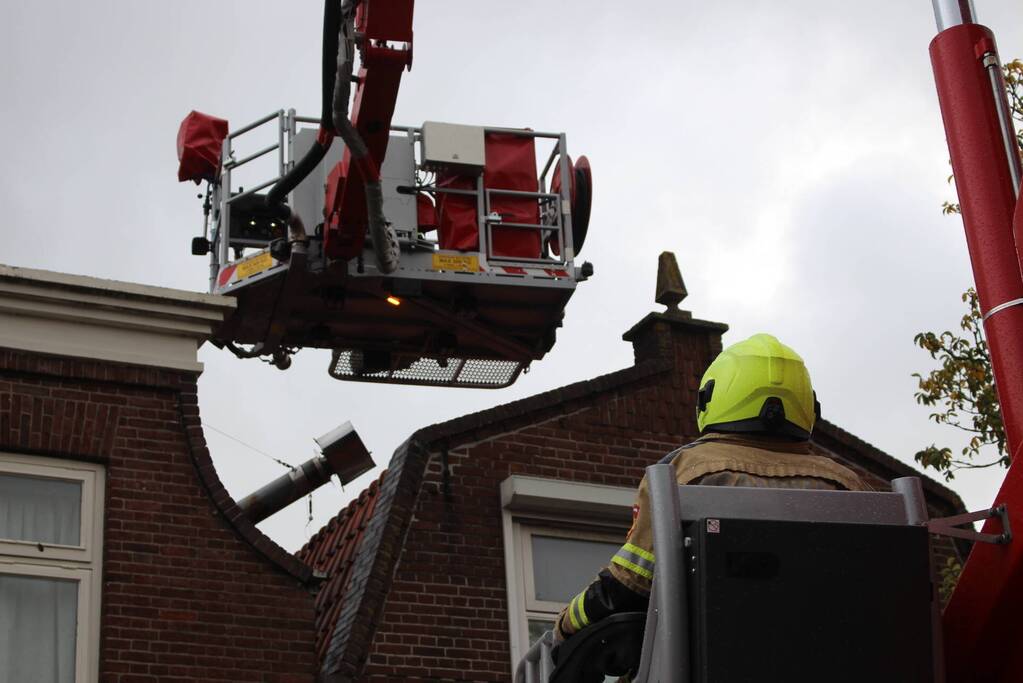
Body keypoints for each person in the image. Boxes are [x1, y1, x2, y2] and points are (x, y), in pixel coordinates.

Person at [554, 333, 867, 641]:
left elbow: (629, 585)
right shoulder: (851, 487)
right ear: (810, 407)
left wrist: (566, 625)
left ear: (709, 398)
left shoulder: (682, 472)